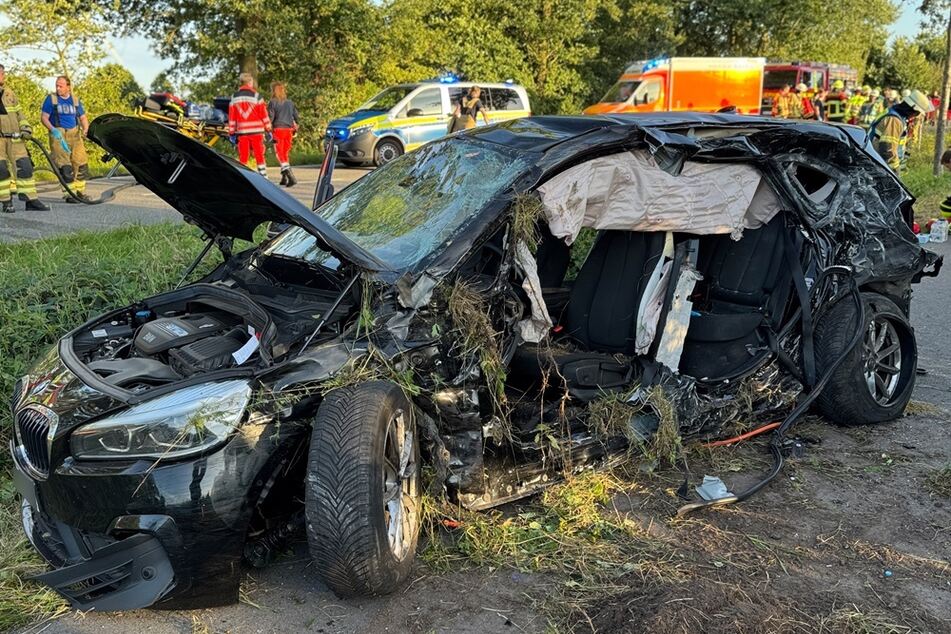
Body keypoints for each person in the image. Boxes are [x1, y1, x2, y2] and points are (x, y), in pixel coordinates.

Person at [0, 64, 48, 213]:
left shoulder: (9, 93)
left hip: (15, 138)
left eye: (2, 73)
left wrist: (25, 128)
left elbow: (19, 113)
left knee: (25, 168)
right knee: (1, 171)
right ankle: (6, 202)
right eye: (0, 74)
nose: (2, 76)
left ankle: (31, 200)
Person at [40, 75, 91, 203]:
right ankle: (70, 194)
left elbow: (83, 117)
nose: (58, 88)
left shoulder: (74, 100)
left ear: (68, 87)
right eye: (56, 85)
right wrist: (53, 130)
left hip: (74, 134)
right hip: (59, 134)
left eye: (60, 86)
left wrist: (86, 129)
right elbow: (44, 117)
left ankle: (80, 192)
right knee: (65, 166)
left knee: (81, 163)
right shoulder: (51, 99)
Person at [869, 89, 933, 174]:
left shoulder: (896, 114)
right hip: (877, 165)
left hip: (877, 162)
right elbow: (887, 149)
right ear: (913, 110)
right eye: (918, 113)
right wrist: (895, 172)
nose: (917, 116)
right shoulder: (894, 120)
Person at [228, 72, 272, 179]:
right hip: (257, 131)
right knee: (259, 154)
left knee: (243, 156)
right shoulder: (257, 96)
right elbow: (264, 114)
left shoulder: (234, 97)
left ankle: (243, 178)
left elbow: (232, 117)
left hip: (242, 132)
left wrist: (231, 132)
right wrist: (268, 129)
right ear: (250, 82)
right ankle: (264, 177)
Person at [267, 82, 299, 187]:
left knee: (279, 154)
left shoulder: (272, 102)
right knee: (285, 154)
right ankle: (284, 178)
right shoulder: (290, 102)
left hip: (278, 130)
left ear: (273, 91)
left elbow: (270, 118)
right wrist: (296, 126)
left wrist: (267, 129)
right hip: (289, 130)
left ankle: (291, 177)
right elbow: (296, 116)